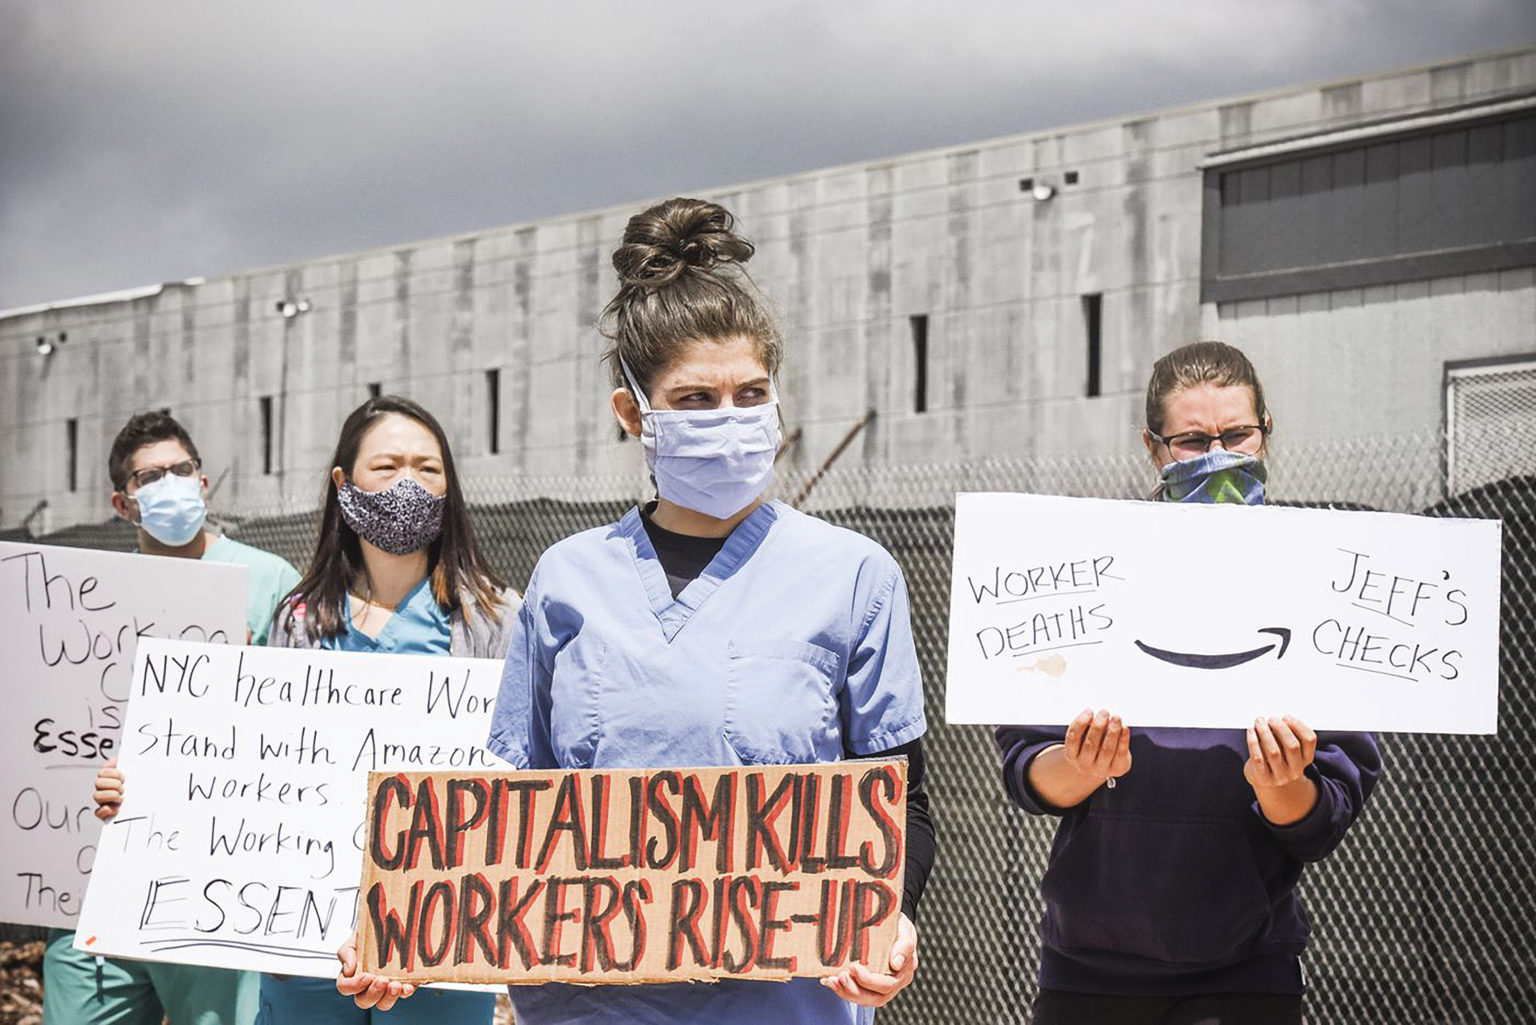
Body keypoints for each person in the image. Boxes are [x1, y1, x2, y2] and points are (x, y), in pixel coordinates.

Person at [335, 197, 937, 1023]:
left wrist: (894, 921)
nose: (730, 419)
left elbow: (900, 796)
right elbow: (512, 804)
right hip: (590, 1004)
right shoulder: (566, 579)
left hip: (788, 1004)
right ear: (633, 414)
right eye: (695, 400)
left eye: (750, 392)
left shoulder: (855, 574)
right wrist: (401, 934)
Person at [95, 396, 517, 1025]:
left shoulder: (497, 618)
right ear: (344, 484)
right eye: (388, 466)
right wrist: (144, 790)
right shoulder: (297, 619)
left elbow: (520, 776)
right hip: (303, 938)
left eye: (428, 469)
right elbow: (242, 769)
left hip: (436, 937)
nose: (409, 483)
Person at [995, 341, 1382, 1025]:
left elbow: (1325, 812)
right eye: (1192, 440)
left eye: (1237, 434)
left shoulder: (1319, 583)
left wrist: (1282, 785)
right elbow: (1028, 771)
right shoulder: (1088, 572)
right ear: (1153, 446)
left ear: (1267, 432)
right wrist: (1078, 766)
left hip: (1245, 978)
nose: (1218, 454)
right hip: (1086, 976)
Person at [48, 411, 301, 1025]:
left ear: (204, 481)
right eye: (149, 477)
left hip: (213, 884)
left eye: (180, 470)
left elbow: (303, 727)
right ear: (122, 502)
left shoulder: (271, 581)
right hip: (92, 877)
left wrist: (246, 681)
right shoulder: (83, 594)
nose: (169, 484)